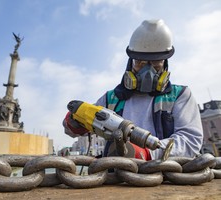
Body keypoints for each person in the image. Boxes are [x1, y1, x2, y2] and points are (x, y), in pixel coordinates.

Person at [63, 19, 203, 160]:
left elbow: (190, 141)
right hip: (116, 177)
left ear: (164, 63)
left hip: (167, 177)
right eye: (139, 62)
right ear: (130, 63)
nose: (148, 71)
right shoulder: (111, 98)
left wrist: (147, 153)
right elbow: (75, 129)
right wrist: (73, 123)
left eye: (156, 63)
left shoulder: (180, 95)